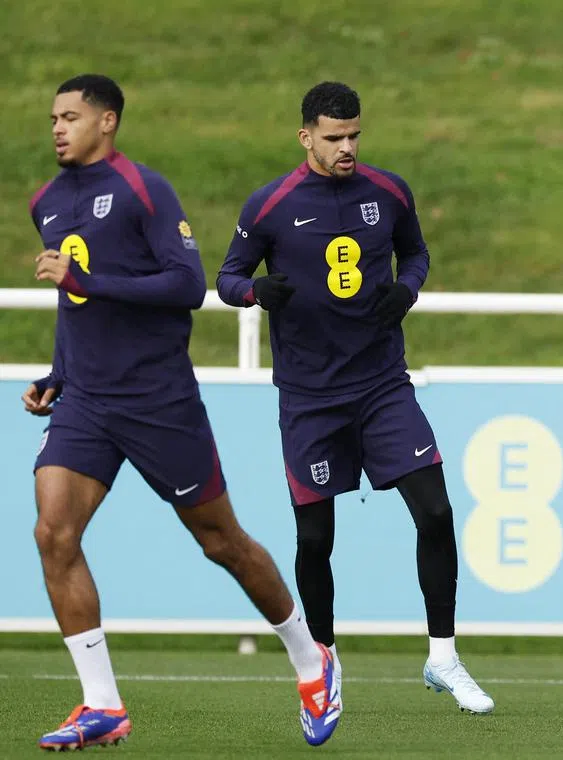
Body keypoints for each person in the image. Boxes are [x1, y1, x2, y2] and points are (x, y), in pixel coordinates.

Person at [23, 74, 342, 750]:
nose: (58, 127)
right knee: (53, 532)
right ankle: (102, 704)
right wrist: (58, 373)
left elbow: (187, 284)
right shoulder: (46, 201)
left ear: (107, 121)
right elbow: (72, 307)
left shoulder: (144, 190)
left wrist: (87, 282)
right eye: (53, 118)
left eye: (71, 117)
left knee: (221, 542)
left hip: (156, 398)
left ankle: (312, 660)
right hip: (87, 402)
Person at [216, 81, 493, 714]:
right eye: (334, 137)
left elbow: (415, 254)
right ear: (305, 137)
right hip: (310, 397)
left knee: (436, 512)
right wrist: (256, 292)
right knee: (316, 538)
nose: (347, 148)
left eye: (354, 136)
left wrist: (407, 289)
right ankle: (323, 661)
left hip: (382, 386)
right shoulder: (270, 204)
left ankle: (444, 657)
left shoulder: (388, 192)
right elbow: (228, 276)